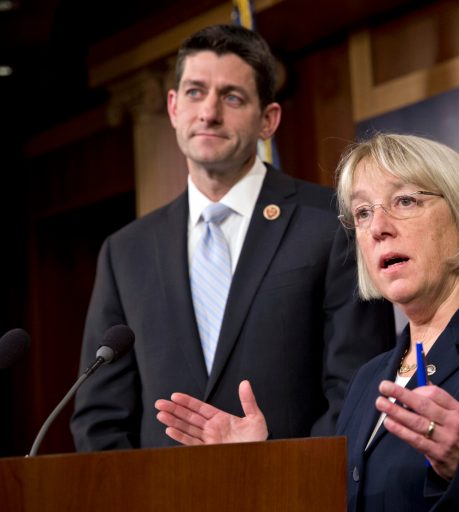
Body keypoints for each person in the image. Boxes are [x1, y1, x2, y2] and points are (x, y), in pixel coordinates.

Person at [154, 133, 459, 511]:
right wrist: (265, 465)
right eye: (362, 212)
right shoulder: (368, 381)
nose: (377, 226)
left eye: (404, 202)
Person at [70, 25, 395, 451]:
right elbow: (100, 419)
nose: (208, 112)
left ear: (268, 120)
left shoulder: (332, 222)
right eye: (194, 92)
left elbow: (357, 390)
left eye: (231, 97)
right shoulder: (125, 251)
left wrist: (285, 479)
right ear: (172, 107)